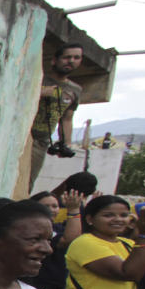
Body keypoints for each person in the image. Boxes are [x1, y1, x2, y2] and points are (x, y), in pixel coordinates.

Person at [28, 43, 84, 191]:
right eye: (67, 57)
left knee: (28, 182)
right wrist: (38, 92)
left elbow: (67, 118)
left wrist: (65, 144)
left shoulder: (75, 90)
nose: (71, 61)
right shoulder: (38, 79)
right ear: (54, 60)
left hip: (41, 141)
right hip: (24, 137)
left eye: (76, 57)